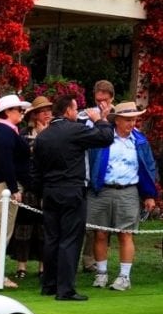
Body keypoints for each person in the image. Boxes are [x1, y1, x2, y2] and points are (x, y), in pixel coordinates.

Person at [30, 94, 114, 301]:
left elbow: (35, 172)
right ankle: (65, 289)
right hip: (72, 190)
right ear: (68, 111)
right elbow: (106, 137)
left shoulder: (43, 136)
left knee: (52, 239)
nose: (77, 113)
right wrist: (100, 119)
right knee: (70, 239)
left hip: (50, 192)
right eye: (75, 109)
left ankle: (49, 284)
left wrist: (42, 192)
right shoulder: (74, 130)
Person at [86, 101, 159, 291]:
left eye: (134, 119)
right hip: (101, 190)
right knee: (100, 233)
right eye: (127, 119)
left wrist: (149, 195)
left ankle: (124, 277)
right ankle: (101, 273)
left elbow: (149, 167)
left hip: (128, 191)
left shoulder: (140, 141)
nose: (131, 123)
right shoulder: (103, 137)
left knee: (125, 234)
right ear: (117, 120)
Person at [0, 94, 32, 288]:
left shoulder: (6, 130)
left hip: (2, 184)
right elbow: (5, 162)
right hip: (2, 185)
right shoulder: (3, 132)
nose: (22, 113)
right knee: (0, 228)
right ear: (7, 112)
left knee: (2, 228)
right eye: (19, 110)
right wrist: (13, 188)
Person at [8, 96, 52, 280]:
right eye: (43, 111)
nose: (47, 114)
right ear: (34, 115)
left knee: (44, 228)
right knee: (23, 227)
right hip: (27, 185)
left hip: (46, 185)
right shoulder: (23, 133)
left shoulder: (54, 132)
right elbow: (19, 157)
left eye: (49, 111)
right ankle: (21, 266)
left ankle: (43, 266)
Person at [78, 79, 117, 273]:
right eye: (98, 99)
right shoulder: (86, 116)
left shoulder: (119, 116)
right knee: (88, 221)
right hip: (89, 172)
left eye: (105, 99)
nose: (101, 103)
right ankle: (85, 259)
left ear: (112, 98)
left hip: (111, 175)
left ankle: (92, 259)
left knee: (103, 226)